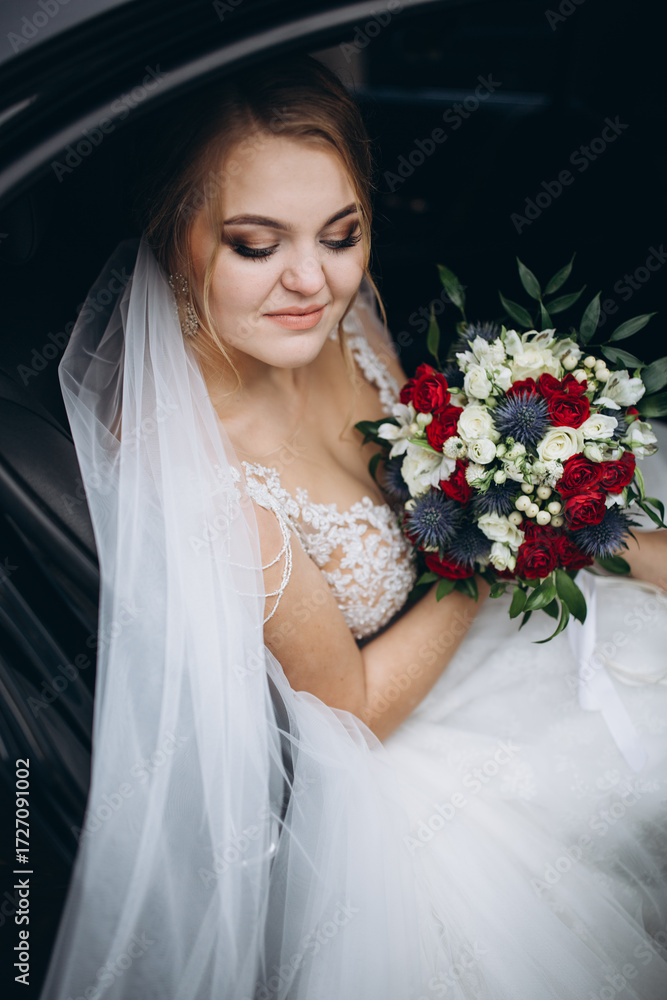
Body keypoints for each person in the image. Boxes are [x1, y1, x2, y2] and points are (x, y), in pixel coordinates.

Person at [40, 55, 667, 1000]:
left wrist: (549, 502)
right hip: (389, 759)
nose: (310, 281)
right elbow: (348, 715)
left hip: (455, 622)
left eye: (341, 234)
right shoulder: (199, 479)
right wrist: (491, 550)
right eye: (255, 244)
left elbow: (424, 478)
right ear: (174, 238)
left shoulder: (336, 321)